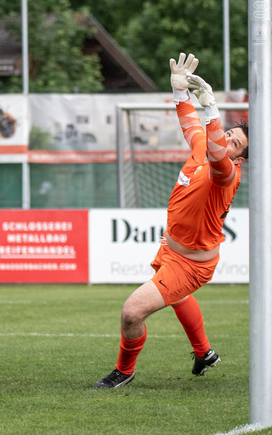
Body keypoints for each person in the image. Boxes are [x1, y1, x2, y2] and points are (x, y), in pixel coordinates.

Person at [93, 53, 249, 388]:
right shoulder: (200, 149)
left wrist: (213, 110)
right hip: (172, 246)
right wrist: (180, 93)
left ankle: (124, 371)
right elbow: (191, 125)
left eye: (236, 144)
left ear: (241, 158)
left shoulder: (227, 174)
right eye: (230, 135)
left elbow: (218, 153)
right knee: (176, 297)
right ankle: (204, 352)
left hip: (191, 263)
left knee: (132, 312)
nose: (229, 143)